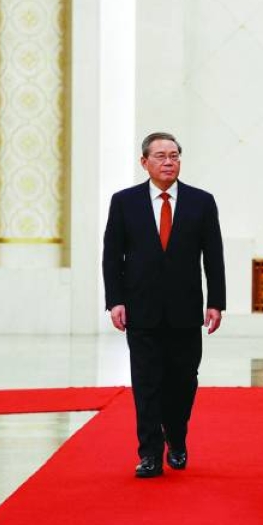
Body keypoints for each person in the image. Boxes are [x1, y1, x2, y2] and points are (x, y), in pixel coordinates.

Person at [102, 132, 226, 478]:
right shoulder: (124, 202)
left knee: (184, 381)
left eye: (174, 155)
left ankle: (177, 435)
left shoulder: (201, 202)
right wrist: (115, 301)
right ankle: (150, 453)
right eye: (160, 156)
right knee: (146, 382)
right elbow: (112, 256)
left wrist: (216, 302)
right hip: (141, 309)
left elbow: (213, 256)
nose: (168, 162)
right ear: (145, 162)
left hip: (186, 311)